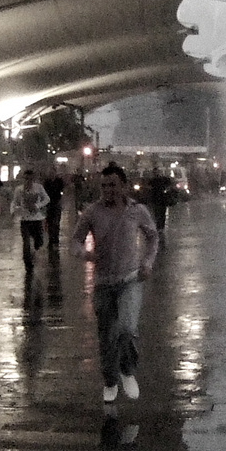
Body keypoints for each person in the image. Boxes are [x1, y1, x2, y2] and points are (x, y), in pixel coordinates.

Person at [71, 162, 159, 402]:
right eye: (104, 186)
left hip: (130, 279)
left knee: (128, 328)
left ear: (123, 186)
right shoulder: (92, 212)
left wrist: (148, 263)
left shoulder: (137, 211)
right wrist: (86, 254)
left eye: (112, 185)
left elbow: (152, 237)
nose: (107, 190)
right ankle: (110, 380)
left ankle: (127, 370)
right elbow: (75, 241)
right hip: (103, 282)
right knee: (107, 335)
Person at [12, 167, 51, 271]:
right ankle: (28, 263)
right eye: (25, 179)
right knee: (26, 242)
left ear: (33, 179)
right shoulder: (19, 190)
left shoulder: (39, 188)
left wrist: (38, 205)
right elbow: (15, 202)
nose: (27, 181)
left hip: (37, 219)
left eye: (30, 179)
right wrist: (14, 211)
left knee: (39, 242)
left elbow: (47, 199)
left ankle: (33, 252)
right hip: (25, 220)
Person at [144, 164, 174, 236]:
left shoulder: (163, 179)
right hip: (156, 199)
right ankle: (159, 226)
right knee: (157, 213)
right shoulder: (153, 180)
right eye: (155, 172)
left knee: (162, 213)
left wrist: (167, 190)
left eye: (157, 172)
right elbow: (148, 187)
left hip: (162, 198)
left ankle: (161, 227)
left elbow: (170, 184)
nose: (156, 173)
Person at [43, 168, 66, 249]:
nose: (51, 174)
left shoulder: (59, 181)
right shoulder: (46, 182)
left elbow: (62, 190)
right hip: (49, 204)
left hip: (57, 203)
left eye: (52, 173)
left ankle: (55, 240)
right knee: (49, 223)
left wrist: (61, 200)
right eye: (50, 173)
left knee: (56, 223)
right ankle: (51, 240)